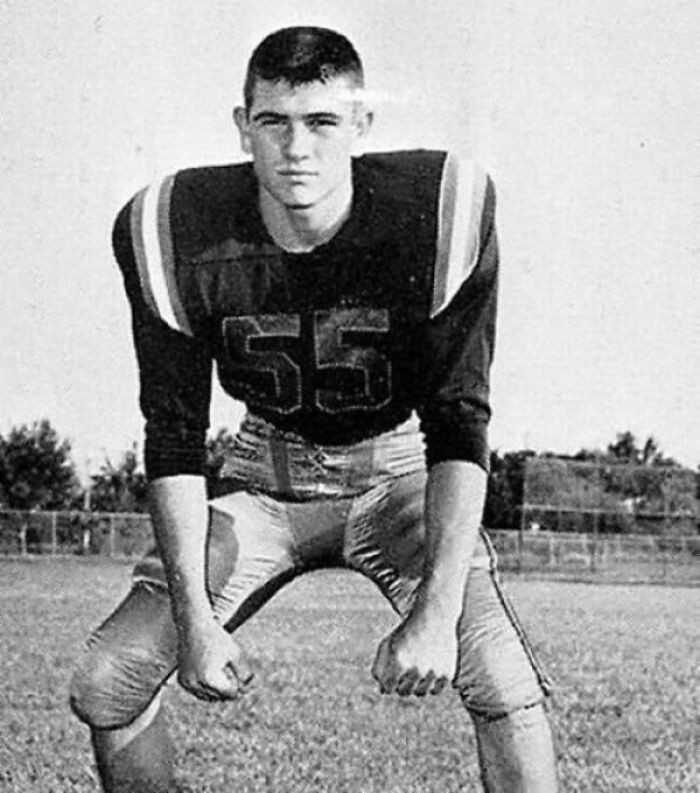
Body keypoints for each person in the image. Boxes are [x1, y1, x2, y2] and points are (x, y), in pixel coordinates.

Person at [69, 26, 558, 793]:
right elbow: (172, 437)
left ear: (362, 126)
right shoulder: (174, 225)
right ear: (243, 127)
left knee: (498, 674)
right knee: (107, 679)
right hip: (264, 474)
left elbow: (461, 421)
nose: (298, 148)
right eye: (274, 122)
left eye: (323, 122)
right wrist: (197, 624)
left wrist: (433, 618)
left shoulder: (435, 211)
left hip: (399, 474)